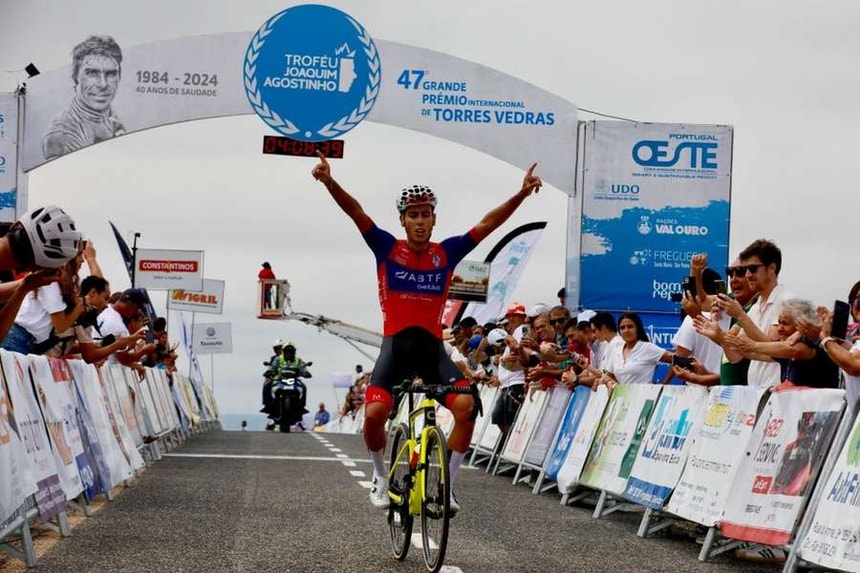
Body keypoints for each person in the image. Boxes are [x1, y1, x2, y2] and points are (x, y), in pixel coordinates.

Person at [311, 151, 542, 513]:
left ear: (434, 219)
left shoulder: (447, 253)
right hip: (395, 350)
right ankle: (380, 477)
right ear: (403, 220)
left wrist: (520, 194)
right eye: (413, 215)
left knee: (466, 407)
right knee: (373, 415)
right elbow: (357, 213)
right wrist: (329, 182)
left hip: (433, 351)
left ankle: (447, 487)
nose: (420, 221)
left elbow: (487, 224)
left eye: (425, 214)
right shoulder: (387, 248)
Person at [43, 35, 125, 161]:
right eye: (92, 73)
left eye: (111, 74)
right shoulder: (63, 134)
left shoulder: (108, 113)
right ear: (75, 78)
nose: (103, 84)